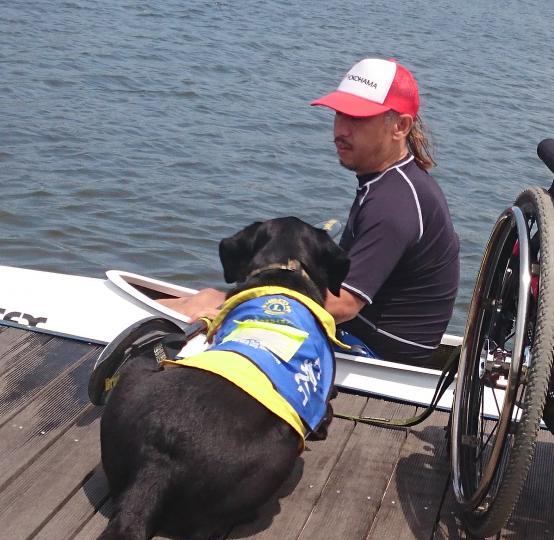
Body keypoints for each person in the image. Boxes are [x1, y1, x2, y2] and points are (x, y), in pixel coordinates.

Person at [165, 58, 459, 366]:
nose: (341, 129)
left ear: (400, 126)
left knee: (206, 305)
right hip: (374, 337)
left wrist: (246, 305)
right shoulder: (392, 181)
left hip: (375, 353)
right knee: (206, 299)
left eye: (357, 119)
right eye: (339, 114)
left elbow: (343, 305)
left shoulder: (394, 203)